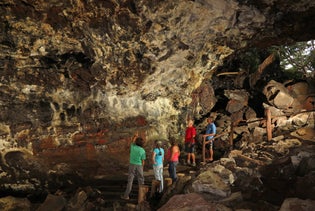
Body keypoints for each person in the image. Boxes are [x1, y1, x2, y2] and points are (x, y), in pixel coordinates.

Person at [121, 135, 146, 200]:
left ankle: (126, 196)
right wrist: (142, 168)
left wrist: (135, 136)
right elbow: (143, 161)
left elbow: (132, 141)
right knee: (141, 180)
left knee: (130, 180)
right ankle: (142, 196)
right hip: (139, 165)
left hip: (132, 165)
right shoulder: (142, 150)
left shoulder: (133, 147)